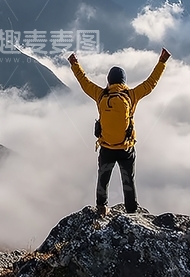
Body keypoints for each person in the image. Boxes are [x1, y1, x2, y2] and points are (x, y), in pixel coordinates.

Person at [68, 48, 171, 217]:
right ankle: (131, 212)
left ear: (109, 81)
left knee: (103, 178)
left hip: (107, 147)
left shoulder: (100, 95)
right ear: (123, 81)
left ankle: (101, 207)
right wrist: (162, 62)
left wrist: (74, 64)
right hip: (126, 148)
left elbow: (84, 82)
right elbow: (151, 83)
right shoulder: (131, 95)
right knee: (128, 179)